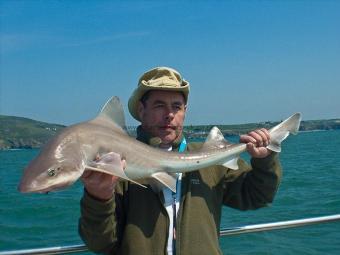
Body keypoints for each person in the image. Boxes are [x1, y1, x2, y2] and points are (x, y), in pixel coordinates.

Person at [78, 67, 282, 255]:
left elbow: (257, 197)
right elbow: (100, 243)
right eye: (159, 105)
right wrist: (98, 196)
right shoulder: (114, 164)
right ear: (141, 110)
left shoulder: (209, 161)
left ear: (185, 112)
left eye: (177, 107)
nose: (169, 115)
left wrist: (265, 161)